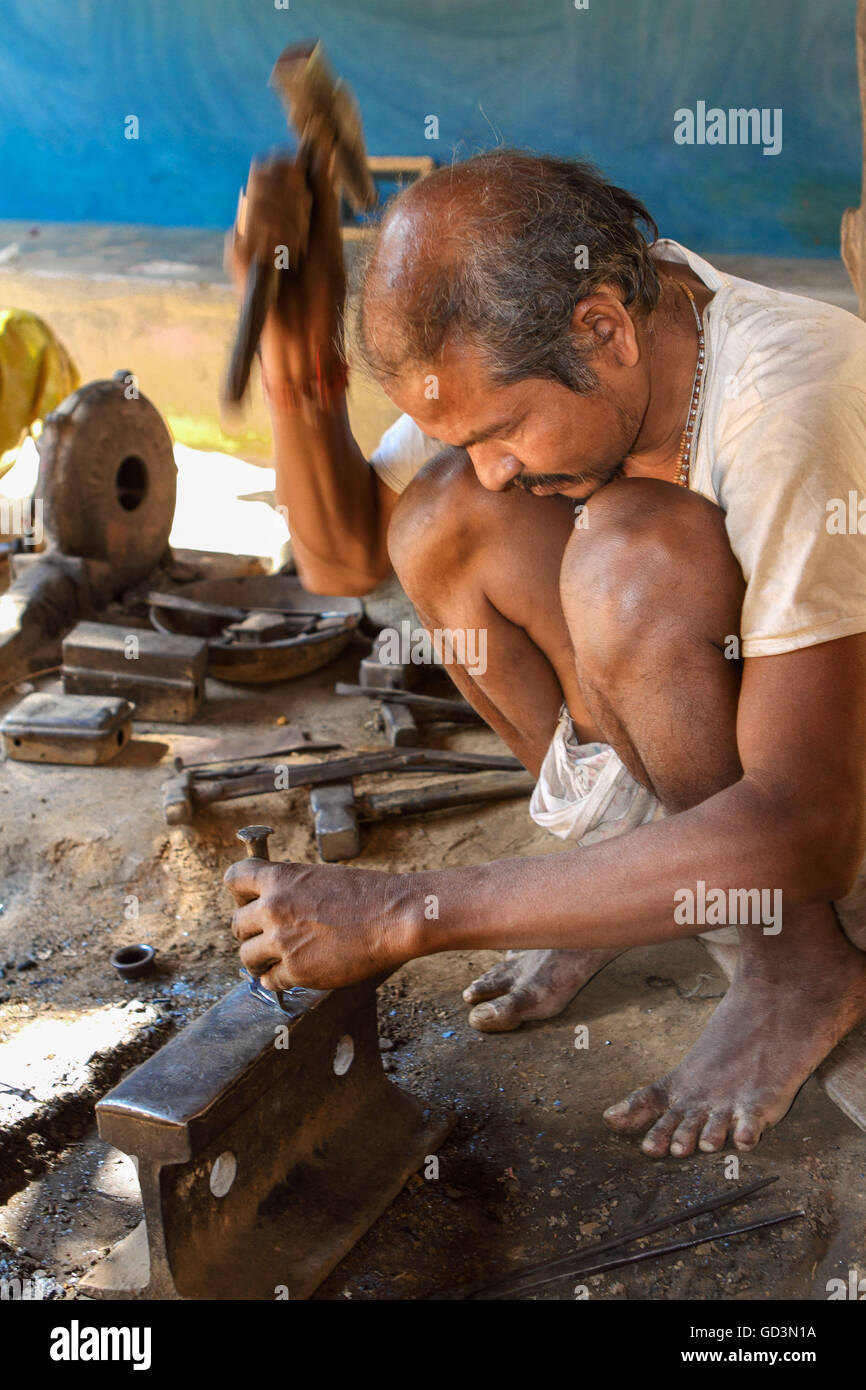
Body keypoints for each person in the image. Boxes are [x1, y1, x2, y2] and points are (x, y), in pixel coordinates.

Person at [225, 150, 866, 1159]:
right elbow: (346, 554)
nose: (492, 463)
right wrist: (291, 357)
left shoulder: (790, 394)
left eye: (502, 430)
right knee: (444, 518)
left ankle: (792, 962)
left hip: (828, 773)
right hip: (740, 747)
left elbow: (811, 824)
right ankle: (624, 875)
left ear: (602, 329)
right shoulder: (537, 350)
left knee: (631, 558)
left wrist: (412, 909)